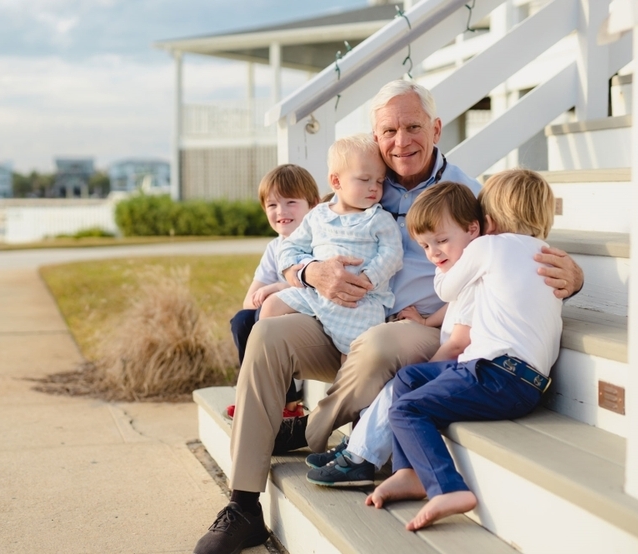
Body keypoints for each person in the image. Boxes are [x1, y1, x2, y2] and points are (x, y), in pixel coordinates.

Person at [193, 80, 584, 554]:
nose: (401, 141)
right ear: (375, 137)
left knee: (383, 343)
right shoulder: (360, 174)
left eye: (413, 126)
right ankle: (244, 505)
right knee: (268, 333)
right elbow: (295, 244)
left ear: (436, 128)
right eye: (389, 130)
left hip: (420, 330)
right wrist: (309, 271)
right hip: (338, 320)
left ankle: (309, 431)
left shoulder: (466, 191)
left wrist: (573, 274)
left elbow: (516, 243)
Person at [366, 169, 562, 532]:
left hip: (493, 373)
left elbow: (446, 290)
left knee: (408, 409)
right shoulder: (548, 256)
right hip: (523, 383)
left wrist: (457, 257)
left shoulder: (488, 246)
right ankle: (409, 472)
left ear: (486, 221)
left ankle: (448, 488)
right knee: (409, 378)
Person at [305, 181, 479, 486]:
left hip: (465, 361)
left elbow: (459, 339)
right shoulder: (459, 267)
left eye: (440, 241)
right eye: (425, 246)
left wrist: (427, 368)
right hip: (451, 349)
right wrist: (426, 323)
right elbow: (455, 307)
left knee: (401, 387)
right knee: (394, 390)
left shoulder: (476, 269)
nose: (433, 253)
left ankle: (359, 457)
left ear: (474, 229)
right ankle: (357, 450)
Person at [259, 134, 403, 357]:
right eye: (365, 180)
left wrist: (368, 278)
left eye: (379, 181)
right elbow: (290, 246)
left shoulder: (378, 219)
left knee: (356, 357)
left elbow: (393, 253)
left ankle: (345, 385)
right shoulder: (318, 216)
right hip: (316, 295)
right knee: (269, 307)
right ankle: (282, 374)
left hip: (359, 303)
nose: (374, 187)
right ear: (336, 182)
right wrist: (292, 271)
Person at [227, 164, 320, 419]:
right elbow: (250, 301)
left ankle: (287, 401)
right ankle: (253, 393)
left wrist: (278, 288)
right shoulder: (274, 248)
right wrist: (267, 296)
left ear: (313, 205)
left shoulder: (319, 241)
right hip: (274, 318)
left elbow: (313, 284)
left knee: (265, 319)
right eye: (272, 205)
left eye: (291, 202)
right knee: (242, 321)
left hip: (311, 322)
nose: (281, 212)